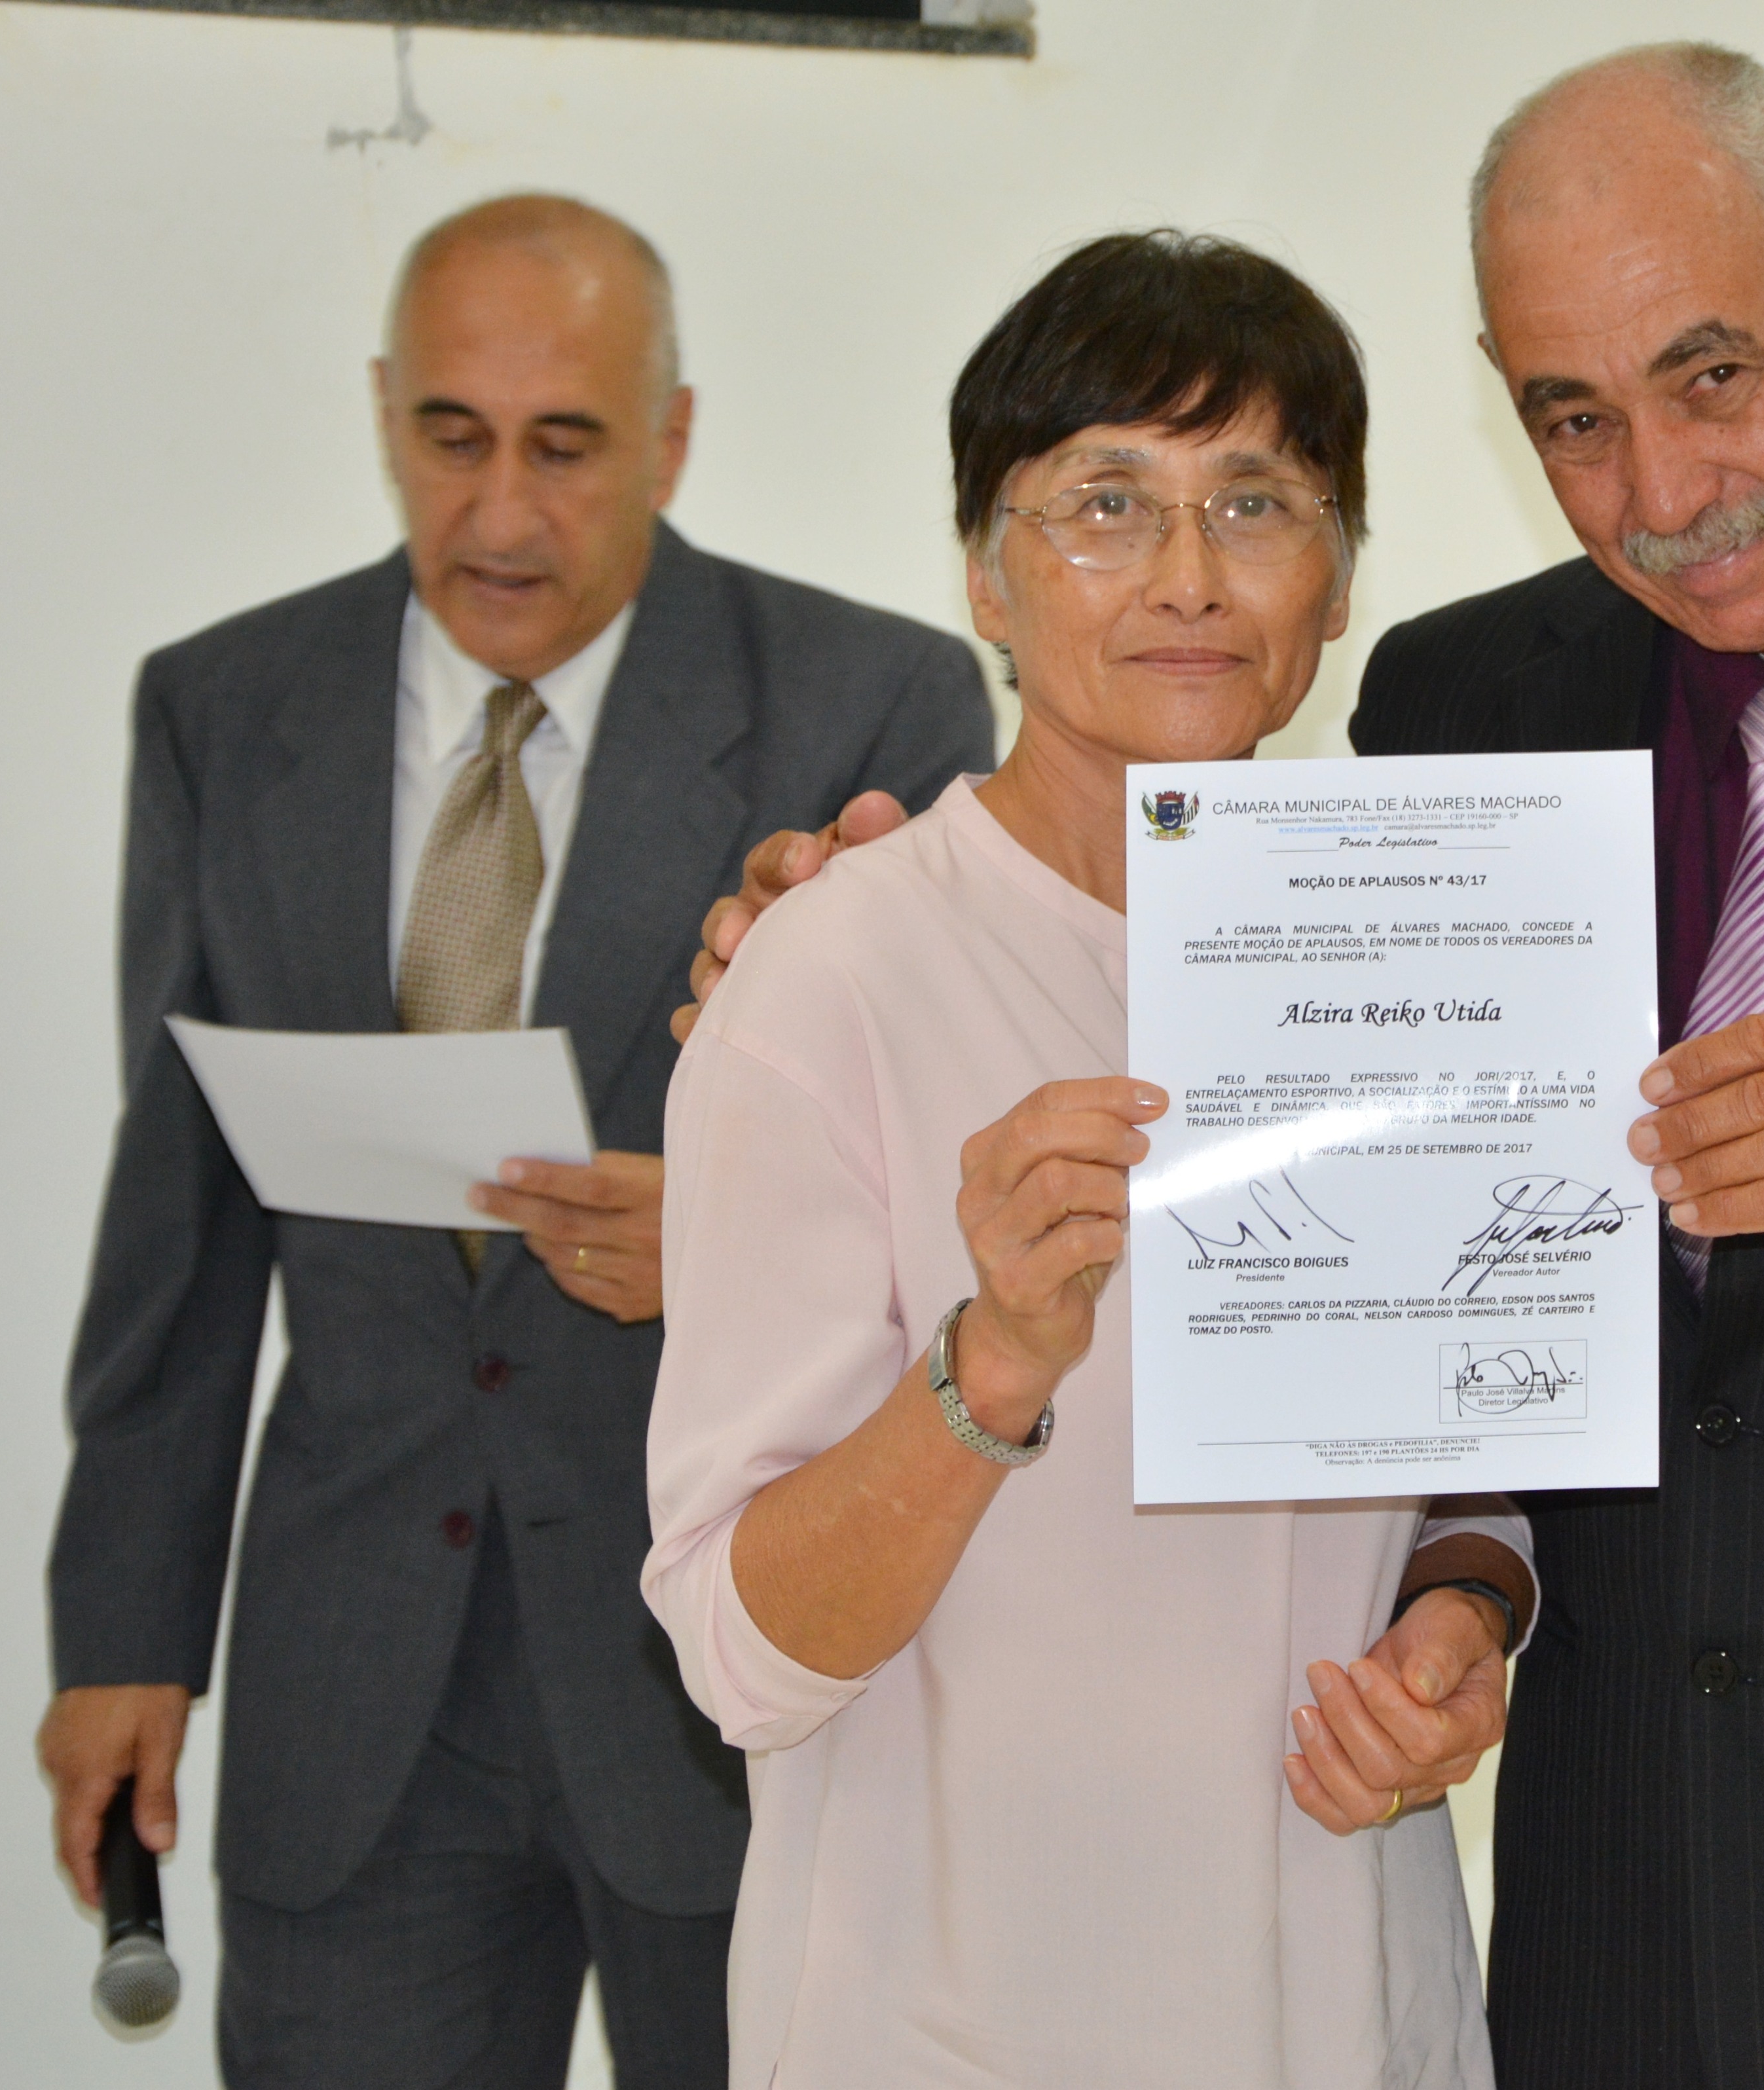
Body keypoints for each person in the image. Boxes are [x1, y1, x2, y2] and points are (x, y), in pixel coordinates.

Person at [691, 45, 1764, 2090]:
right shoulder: (1467, 710)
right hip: (1622, 1960)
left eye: (1715, 376)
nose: (1665, 491)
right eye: (1574, 419)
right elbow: (1445, 1322)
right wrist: (833, 946)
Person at [37, 194, 993, 2088]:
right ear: (383, 411)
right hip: (357, 1695)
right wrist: (123, 1630)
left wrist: (729, 1235)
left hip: (736, 1675)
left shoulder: (870, 701)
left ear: (673, 438)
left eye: (564, 447)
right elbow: (178, 1216)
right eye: (450, 437)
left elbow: (969, 1213)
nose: (498, 515)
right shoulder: (223, 709)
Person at [646, 230, 1536, 2090]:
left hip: (1346, 2005)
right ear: (985, 570)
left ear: (1341, 576)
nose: (1190, 576)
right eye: (1107, 505)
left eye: (1258, 502)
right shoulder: (834, 973)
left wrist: (1462, 1624)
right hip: (949, 2019)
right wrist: (992, 1369)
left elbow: (1479, 1443)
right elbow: (738, 1654)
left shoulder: (1426, 937)